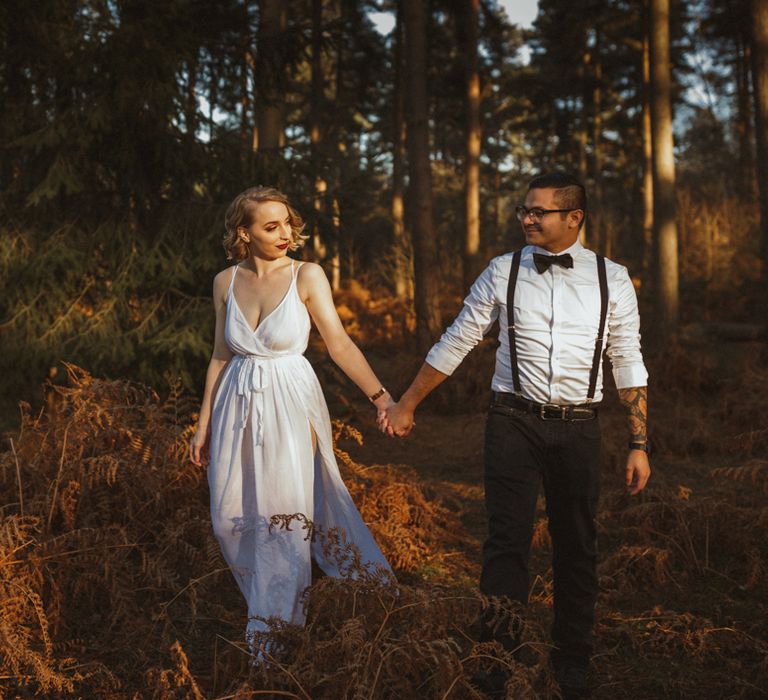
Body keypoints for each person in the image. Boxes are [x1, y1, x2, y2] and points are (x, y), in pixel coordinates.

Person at [381, 173, 650, 698]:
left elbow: (628, 359)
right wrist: (407, 403)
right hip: (512, 422)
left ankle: (571, 659)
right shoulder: (502, 271)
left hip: (580, 428)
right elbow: (457, 339)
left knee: (577, 544)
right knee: (506, 543)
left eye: (540, 212)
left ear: (574, 217)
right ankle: (495, 661)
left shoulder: (612, 278)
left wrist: (640, 443)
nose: (527, 218)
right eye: (524, 210)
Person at [189, 186, 394, 655]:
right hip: (236, 403)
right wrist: (203, 425)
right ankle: (269, 605)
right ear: (244, 232)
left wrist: (381, 397)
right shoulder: (225, 281)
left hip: (288, 400)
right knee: (229, 521)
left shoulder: (307, 274)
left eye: (287, 223)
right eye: (271, 226)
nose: (286, 234)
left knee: (283, 522)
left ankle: (274, 641)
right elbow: (220, 357)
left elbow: (338, 343)